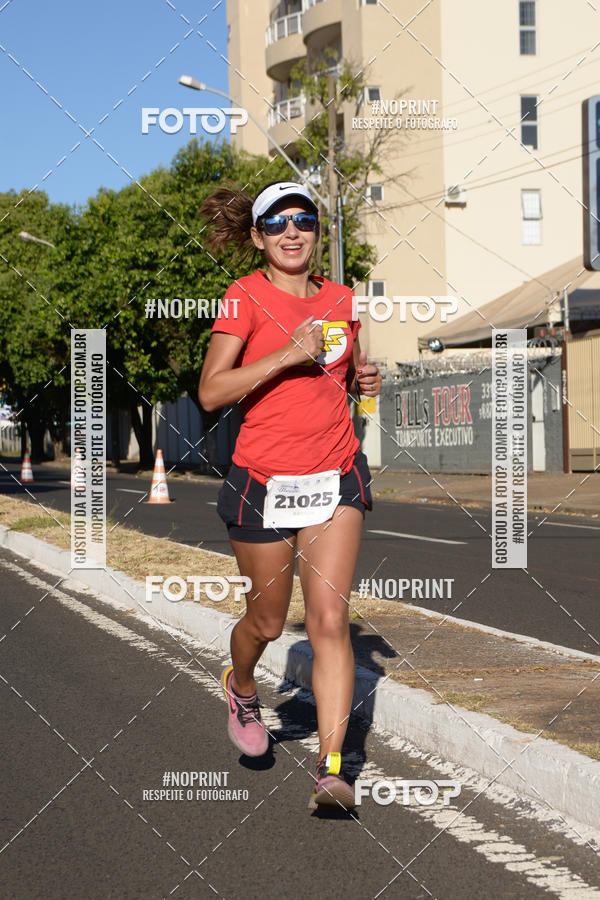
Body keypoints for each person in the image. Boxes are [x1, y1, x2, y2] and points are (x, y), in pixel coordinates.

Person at [198, 180, 382, 810]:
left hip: (334, 474)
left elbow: (342, 372)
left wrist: (363, 377)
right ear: (258, 237)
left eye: (303, 220)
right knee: (269, 622)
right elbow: (212, 391)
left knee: (330, 620)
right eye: (276, 224)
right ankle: (242, 686)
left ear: (316, 232)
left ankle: (332, 771)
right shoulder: (243, 296)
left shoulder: (341, 298)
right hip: (264, 481)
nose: (291, 232)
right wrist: (285, 354)